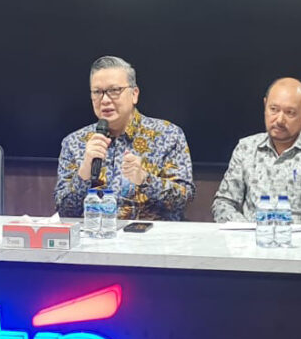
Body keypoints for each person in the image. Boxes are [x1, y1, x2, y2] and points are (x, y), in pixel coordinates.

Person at [54, 56, 195, 221]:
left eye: (114, 90)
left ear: (134, 94)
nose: (105, 100)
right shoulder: (74, 142)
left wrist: (145, 179)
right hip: (94, 234)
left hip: (151, 235)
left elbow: (185, 199)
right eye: (97, 92)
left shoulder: (168, 135)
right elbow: (64, 212)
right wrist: (84, 171)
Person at [212, 77, 301, 224]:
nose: (279, 120)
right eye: (273, 109)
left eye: (290, 112)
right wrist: (249, 231)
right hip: (251, 236)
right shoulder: (246, 149)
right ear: (265, 106)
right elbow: (223, 204)